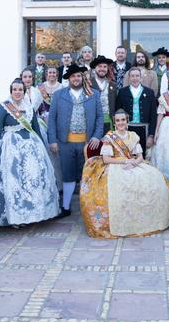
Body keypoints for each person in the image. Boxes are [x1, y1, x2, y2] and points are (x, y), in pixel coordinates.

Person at [80, 110, 169, 238]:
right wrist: (125, 161)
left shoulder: (133, 136)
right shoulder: (109, 137)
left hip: (133, 163)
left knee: (155, 182)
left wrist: (134, 163)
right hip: (112, 166)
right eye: (118, 121)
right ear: (114, 123)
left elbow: (140, 156)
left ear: (127, 121)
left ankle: (141, 221)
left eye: (123, 120)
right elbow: (106, 159)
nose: (120, 123)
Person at [0, 79, 59, 227]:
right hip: (9, 148)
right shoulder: (3, 107)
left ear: (24, 92)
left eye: (20, 90)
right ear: (11, 91)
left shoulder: (29, 107)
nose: (17, 92)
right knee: (13, 181)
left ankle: (32, 213)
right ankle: (15, 216)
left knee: (31, 180)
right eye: (15, 90)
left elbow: (35, 128)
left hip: (31, 147)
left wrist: (43, 148)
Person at [47, 65, 104, 217]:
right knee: (68, 174)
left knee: (87, 175)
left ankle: (88, 207)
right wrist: (52, 140)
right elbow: (52, 118)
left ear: (82, 77)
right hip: (65, 143)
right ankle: (66, 207)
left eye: (78, 76)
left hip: (87, 143)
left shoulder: (94, 94)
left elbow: (100, 117)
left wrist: (97, 136)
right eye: (73, 77)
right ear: (69, 79)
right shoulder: (59, 95)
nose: (76, 79)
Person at [116, 67, 158, 154]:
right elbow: (118, 112)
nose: (135, 78)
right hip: (127, 128)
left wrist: (151, 135)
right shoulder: (122, 92)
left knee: (142, 155)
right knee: (127, 154)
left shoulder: (149, 92)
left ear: (141, 78)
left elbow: (153, 115)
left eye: (137, 76)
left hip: (144, 128)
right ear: (129, 78)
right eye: (132, 76)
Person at [37, 67, 64, 191]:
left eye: (54, 72)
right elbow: (37, 106)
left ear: (57, 74)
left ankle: (59, 183)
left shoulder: (62, 87)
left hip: (59, 122)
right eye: (49, 73)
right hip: (43, 122)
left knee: (58, 153)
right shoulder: (40, 88)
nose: (52, 74)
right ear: (46, 75)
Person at [90, 55, 118, 133]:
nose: (102, 69)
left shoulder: (113, 85)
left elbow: (116, 105)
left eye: (105, 66)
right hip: (93, 122)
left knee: (108, 144)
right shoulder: (88, 84)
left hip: (109, 122)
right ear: (95, 68)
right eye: (99, 66)